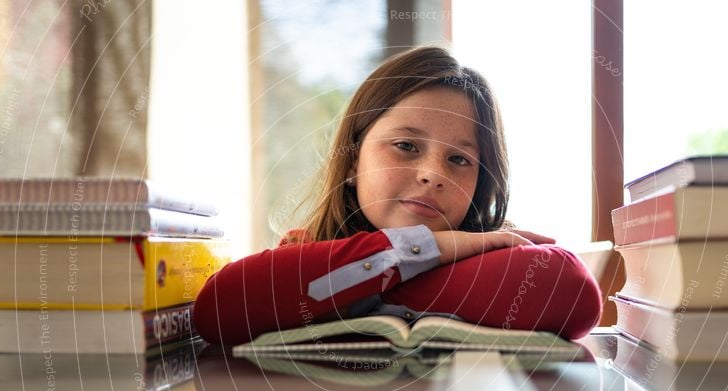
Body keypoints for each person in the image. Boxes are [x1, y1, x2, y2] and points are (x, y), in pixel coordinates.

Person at [194, 46, 602, 346]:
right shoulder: (303, 251)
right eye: (406, 146)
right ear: (353, 162)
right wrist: (428, 248)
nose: (433, 175)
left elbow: (571, 291)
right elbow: (219, 307)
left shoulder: (495, 253)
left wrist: (356, 285)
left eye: (459, 159)